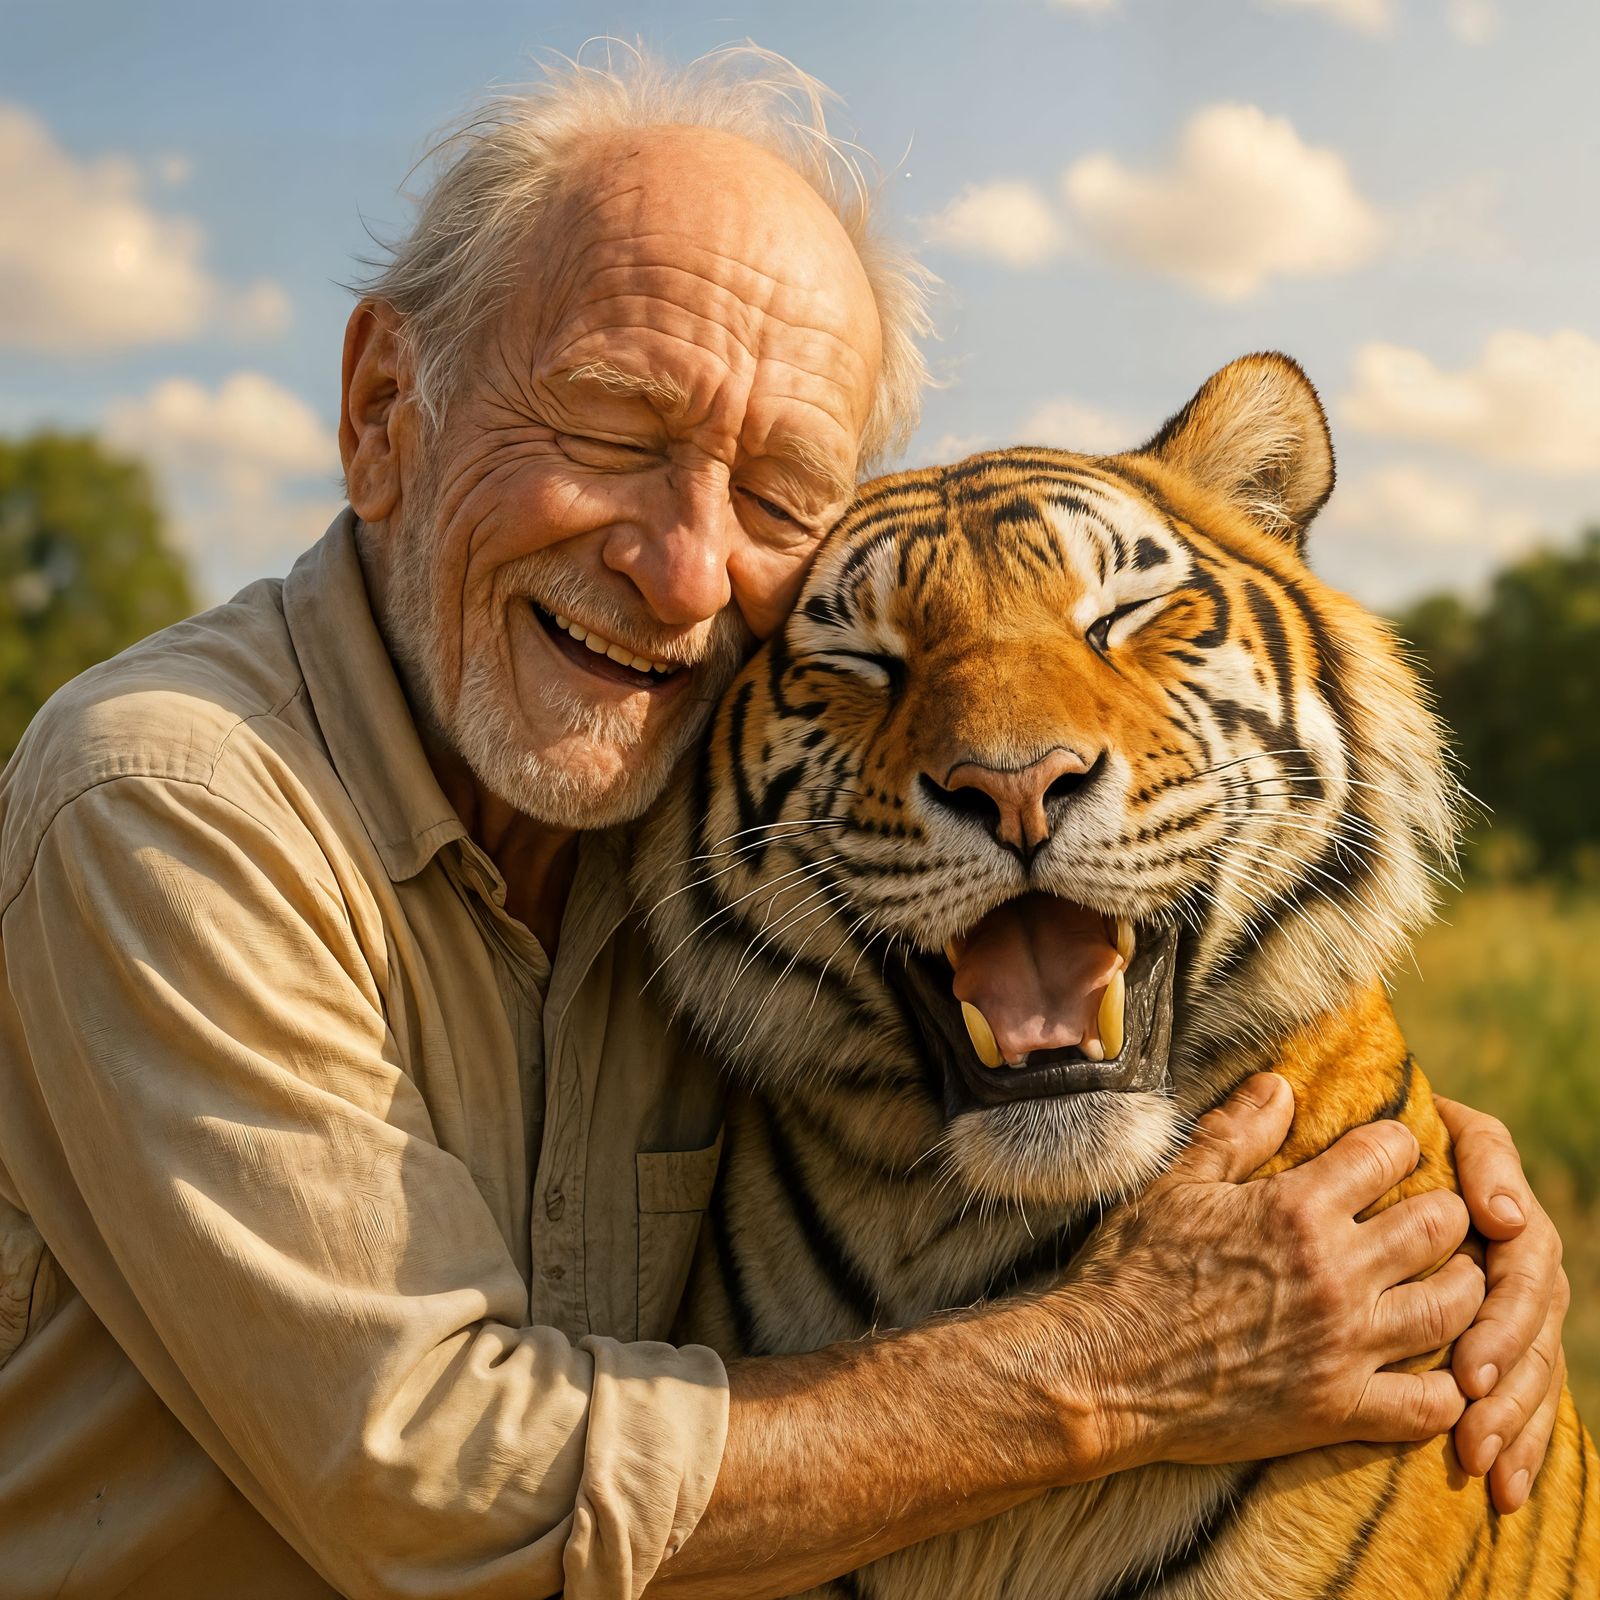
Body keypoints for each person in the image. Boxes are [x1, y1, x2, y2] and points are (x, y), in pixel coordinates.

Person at [0, 46, 1570, 1600]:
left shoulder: (687, 807)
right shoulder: (170, 797)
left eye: (774, 495)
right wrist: (1133, 1359)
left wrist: (1459, 1188)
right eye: (612, 432)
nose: (685, 574)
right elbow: (432, 1481)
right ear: (381, 408)